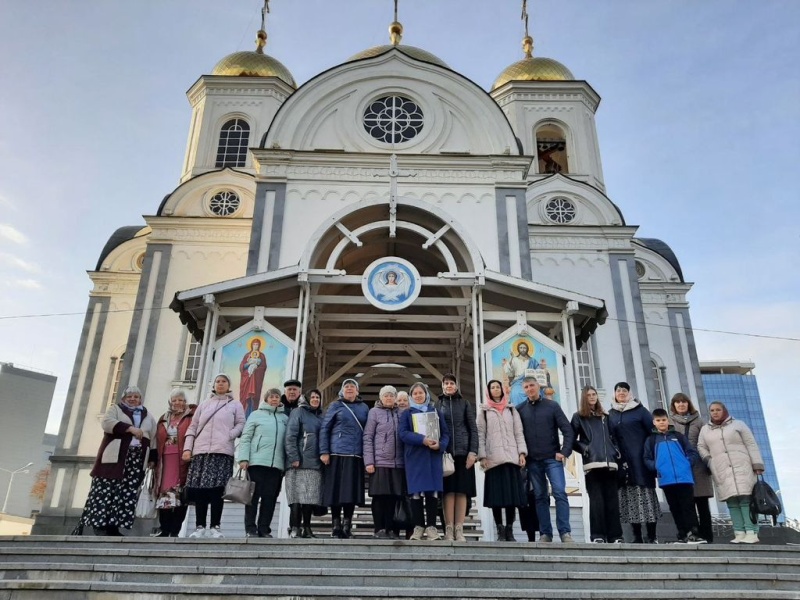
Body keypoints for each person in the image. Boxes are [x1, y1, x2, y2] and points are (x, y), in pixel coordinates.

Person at [80, 385, 157, 536]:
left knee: (125, 493)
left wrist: (153, 458)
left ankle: (114, 527)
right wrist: (129, 428)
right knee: (106, 491)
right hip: (113, 459)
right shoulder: (116, 409)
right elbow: (107, 423)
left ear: (140, 399)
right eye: (129, 396)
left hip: (136, 460)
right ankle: (99, 525)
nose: (133, 399)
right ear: (123, 398)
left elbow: (153, 438)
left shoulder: (148, 416)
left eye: (136, 397)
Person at [182, 373, 246, 538]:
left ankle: (215, 526)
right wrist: (187, 449)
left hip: (222, 452)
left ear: (228, 385)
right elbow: (193, 427)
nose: (220, 384)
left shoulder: (234, 404)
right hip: (202, 453)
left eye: (224, 381)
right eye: (218, 381)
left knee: (218, 491)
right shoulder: (204, 404)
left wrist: (230, 434)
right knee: (200, 491)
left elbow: (241, 423)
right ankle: (200, 526)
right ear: (214, 384)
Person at [517, 377, 575, 543]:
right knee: (540, 496)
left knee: (559, 493)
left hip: (552, 459)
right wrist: (522, 455)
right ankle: (545, 533)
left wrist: (564, 452)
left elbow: (568, 430)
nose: (529, 389)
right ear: (524, 390)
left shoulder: (552, 406)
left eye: (532, 385)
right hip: (533, 461)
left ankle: (565, 533)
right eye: (526, 387)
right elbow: (517, 435)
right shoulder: (521, 410)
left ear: (538, 386)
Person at [698, 401, 765, 544]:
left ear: (724, 410)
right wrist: (710, 460)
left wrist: (757, 464)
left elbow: (751, 443)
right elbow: (701, 446)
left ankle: (752, 532)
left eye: (718, 409)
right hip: (721, 468)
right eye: (712, 410)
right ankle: (739, 532)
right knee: (732, 501)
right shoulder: (705, 430)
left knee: (746, 500)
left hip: (742, 466)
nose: (715, 412)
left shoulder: (738, 424)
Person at [644, 408, 707, 544]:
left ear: (668, 420)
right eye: (658, 420)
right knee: (675, 507)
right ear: (654, 422)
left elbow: (691, 452)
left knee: (688, 506)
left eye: (664, 420)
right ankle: (682, 534)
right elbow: (647, 458)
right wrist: (657, 467)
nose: (661, 423)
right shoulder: (651, 440)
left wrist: (686, 463)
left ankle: (693, 533)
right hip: (667, 479)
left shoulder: (678, 436)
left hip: (684, 477)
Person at [608, 381, 660, 543]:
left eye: (624, 390)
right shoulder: (611, 414)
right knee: (629, 500)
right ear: (615, 394)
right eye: (618, 390)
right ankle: (637, 536)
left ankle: (651, 535)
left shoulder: (640, 411)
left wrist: (649, 454)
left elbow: (653, 433)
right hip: (622, 463)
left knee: (646, 498)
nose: (621, 393)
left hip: (640, 462)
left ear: (630, 394)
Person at [570, 385, 623, 543]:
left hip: (610, 464)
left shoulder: (605, 416)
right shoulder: (578, 416)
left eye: (594, 394)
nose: (592, 397)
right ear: (584, 398)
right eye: (589, 395)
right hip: (592, 465)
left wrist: (616, 451)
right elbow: (571, 440)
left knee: (612, 501)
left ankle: (615, 536)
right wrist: (586, 449)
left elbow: (615, 437)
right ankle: (598, 535)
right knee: (596, 502)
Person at [477, 379, 527, 542]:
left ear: (502, 390)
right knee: (496, 498)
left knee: (512, 497)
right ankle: (500, 529)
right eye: (492, 387)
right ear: (489, 391)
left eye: (498, 387)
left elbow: (518, 432)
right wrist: (482, 455)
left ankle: (510, 529)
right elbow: (480, 434)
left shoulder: (512, 410)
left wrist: (521, 453)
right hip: (493, 459)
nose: (496, 390)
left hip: (511, 458)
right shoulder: (484, 411)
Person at [399, 382, 450, 541]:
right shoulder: (407, 414)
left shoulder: (435, 412)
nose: (418, 396)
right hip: (414, 458)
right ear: (411, 396)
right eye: (415, 394)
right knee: (416, 493)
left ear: (426, 394)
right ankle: (418, 527)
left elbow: (445, 434)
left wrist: (440, 445)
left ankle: (432, 527)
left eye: (421, 393)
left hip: (432, 457)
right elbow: (403, 434)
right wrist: (422, 440)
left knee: (432, 492)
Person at [319, 378, 369, 539]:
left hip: (355, 455)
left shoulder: (364, 408)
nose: (349, 389)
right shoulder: (335, 406)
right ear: (342, 390)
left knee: (351, 492)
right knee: (336, 491)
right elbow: (325, 429)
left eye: (352, 387)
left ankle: (347, 525)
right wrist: (324, 451)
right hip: (337, 453)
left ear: (357, 391)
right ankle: (336, 525)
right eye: (346, 386)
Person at [238, 388, 288, 538]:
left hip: (276, 465)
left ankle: (264, 529)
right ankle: (250, 529)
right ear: (266, 399)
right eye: (271, 396)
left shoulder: (284, 419)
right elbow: (246, 437)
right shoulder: (256, 415)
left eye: (277, 397)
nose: (274, 399)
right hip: (256, 462)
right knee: (253, 497)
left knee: (270, 498)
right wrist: (243, 458)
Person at [437, 373, 478, 542]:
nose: (449, 386)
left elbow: (473, 429)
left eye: (451, 383)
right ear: (442, 386)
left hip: (463, 453)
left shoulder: (465, 403)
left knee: (461, 492)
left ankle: (459, 529)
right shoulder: (438, 404)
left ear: (456, 386)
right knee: (448, 492)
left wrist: (473, 452)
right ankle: (448, 529)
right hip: (446, 454)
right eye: (446, 383)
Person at [668, 392, 715, 542]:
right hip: (681, 466)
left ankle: (707, 535)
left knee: (702, 503)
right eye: (678, 402)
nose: (681, 404)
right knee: (686, 503)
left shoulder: (700, 422)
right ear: (674, 405)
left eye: (684, 402)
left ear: (689, 404)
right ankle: (691, 533)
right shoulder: (670, 422)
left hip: (699, 466)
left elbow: (707, 442)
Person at [363, 385, 406, 538]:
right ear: (381, 397)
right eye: (386, 395)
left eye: (391, 395)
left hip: (398, 463)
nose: (389, 398)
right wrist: (369, 461)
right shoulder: (374, 412)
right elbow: (368, 437)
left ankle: (391, 528)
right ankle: (379, 528)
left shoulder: (402, 413)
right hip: (379, 461)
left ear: (395, 398)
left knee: (394, 496)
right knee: (379, 496)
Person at [153, 388, 196, 537]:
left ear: (185, 402)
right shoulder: (164, 418)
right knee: (164, 495)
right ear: (170, 402)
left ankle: (175, 530)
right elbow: (156, 439)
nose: (177, 403)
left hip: (183, 460)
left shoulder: (191, 417)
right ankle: (164, 529)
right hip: (165, 461)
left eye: (181, 400)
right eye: (175, 400)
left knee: (180, 495)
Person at [285, 388, 325, 538]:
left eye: (317, 397)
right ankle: (295, 527)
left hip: (314, 463)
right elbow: (290, 436)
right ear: (307, 399)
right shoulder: (298, 412)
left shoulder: (321, 416)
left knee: (309, 497)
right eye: (312, 397)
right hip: (298, 462)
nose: (315, 399)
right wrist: (293, 457)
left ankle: (307, 527)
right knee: (296, 497)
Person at [502, 341, 540, 406]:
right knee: (515, 393)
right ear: (518, 349)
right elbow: (509, 373)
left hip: (530, 381)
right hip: (518, 382)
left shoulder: (532, 360)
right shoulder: (514, 359)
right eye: (521, 348)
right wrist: (511, 358)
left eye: (524, 348)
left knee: (537, 392)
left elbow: (538, 371)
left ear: (527, 349)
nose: (522, 349)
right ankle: (518, 411)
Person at [239, 339, 267, 418]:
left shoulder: (261, 356)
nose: (255, 346)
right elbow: (242, 367)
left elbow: (263, 367)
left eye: (257, 345)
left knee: (254, 398)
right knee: (245, 397)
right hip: (246, 380)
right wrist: (249, 364)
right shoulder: (247, 355)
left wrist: (256, 369)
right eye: (254, 344)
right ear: (251, 345)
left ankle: (252, 415)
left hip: (256, 380)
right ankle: (243, 415)